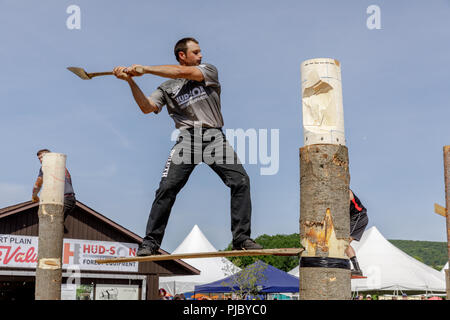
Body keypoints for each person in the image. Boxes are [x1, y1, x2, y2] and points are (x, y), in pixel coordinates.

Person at [112, 37, 262, 256]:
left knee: (241, 181)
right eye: (196, 52)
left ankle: (241, 238)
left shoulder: (207, 70)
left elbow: (181, 73)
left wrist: (145, 69)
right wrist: (130, 82)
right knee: (167, 188)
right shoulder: (165, 88)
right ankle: (151, 242)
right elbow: (147, 107)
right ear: (182, 55)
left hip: (213, 137)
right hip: (187, 140)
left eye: (200, 52)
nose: (200, 56)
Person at [32, 149, 76, 231]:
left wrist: (34, 195)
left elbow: (37, 184)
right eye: (39, 159)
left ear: (49, 156)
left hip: (63, 199)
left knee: (50, 224)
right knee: (56, 223)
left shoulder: (46, 166)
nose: (41, 160)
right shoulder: (61, 166)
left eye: (42, 157)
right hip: (70, 199)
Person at [345, 189, 368, 276]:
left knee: (344, 242)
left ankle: (357, 269)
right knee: (344, 244)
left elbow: (349, 197)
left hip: (358, 215)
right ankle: (356, 268)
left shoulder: (346, 190)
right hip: (356, 217)